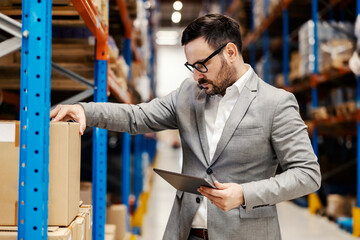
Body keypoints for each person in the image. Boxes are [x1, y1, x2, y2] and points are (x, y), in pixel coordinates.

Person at [51, 14, 321, 240]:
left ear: (230, 52)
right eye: (191, 66)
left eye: (202, 65)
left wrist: (243, 194)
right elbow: (138, 116)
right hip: (186, 231)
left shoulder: (276, 103)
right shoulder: (188, 93)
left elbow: (307, 174)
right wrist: (85, 109)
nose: (196, 76)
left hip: (244, 232)